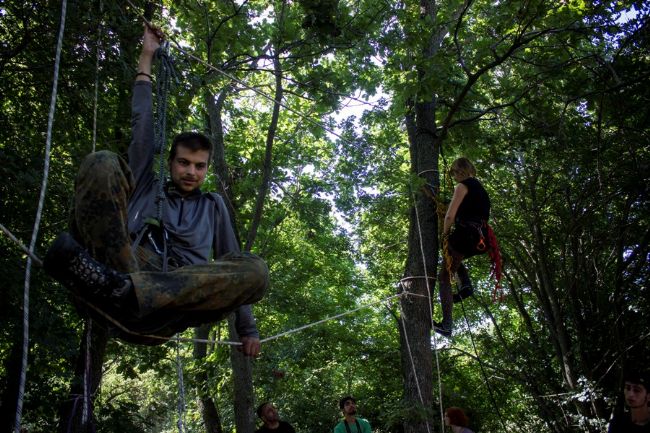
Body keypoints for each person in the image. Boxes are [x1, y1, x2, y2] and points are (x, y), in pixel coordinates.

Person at [42, 24, 268, 353]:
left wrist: (248, 329)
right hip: (117, 275)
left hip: (166, 308)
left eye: (199, 165)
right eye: (183, 163)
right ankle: (115, 284)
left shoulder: (213, 205)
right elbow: (143, 128)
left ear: (206, 168)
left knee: (256, 270)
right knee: (103, 161)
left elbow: (230, 260)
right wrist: (147, 56)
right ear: (171, 162)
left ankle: (132, 290)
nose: (191, 171)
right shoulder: (150, 185)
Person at [434, 157, 498, 338]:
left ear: (459, 170)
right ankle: (466, 286)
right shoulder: (481, 190)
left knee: (444, 276)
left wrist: (444, 235)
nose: (453, 177)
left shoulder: (462, 186)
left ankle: (447, 325)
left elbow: (449, 216)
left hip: (466, 235)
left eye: (454, 173)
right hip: (480, 238)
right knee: (453, 256)